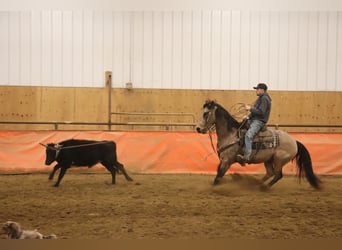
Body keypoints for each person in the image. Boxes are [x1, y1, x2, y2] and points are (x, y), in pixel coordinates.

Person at [237, 83, 272, 165]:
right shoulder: (260, 98)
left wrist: (250, 108)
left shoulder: (264, 99)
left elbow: (261, 112)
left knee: (248, 136)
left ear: (262, 90)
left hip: (259, 122)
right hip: (254, 119)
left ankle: (247, 156)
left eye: (258, 89)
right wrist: (248, 117)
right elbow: (255, 111)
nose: (256, 90)